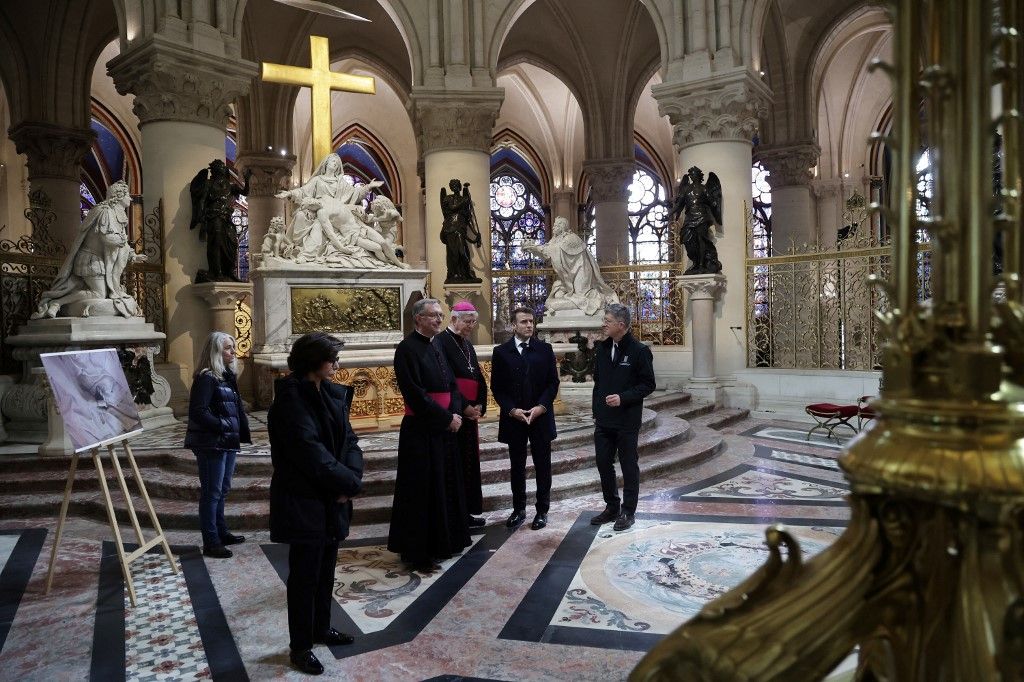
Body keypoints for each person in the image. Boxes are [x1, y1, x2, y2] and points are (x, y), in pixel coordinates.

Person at [268, 332, 363, 676]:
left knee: (325, 571)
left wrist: (350, 479)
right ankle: (300, 647)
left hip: (332, 497)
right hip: (305, 498)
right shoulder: (291, 400)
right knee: (305, 577)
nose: (338, 364)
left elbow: (349, 440)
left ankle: (321, 628)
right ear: (313, 361)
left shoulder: (330, 392)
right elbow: (310, 454)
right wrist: (348, 483)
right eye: (332, 358)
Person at [387, 298, 471, 572]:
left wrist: (457, 413)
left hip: (445, 428)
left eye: (440, 315)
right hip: (422, 430)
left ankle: (446, 540)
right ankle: (421, 549)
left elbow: (453, 385)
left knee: (445, 484)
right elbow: (415, 394)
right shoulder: (406, 349)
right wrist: (446, 418)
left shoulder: (437, 345)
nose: (439, 319)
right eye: (434, 315)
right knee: (423, 490)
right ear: (418, 319)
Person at [32, 180, 146, 319]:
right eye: (127, 195)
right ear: (119, 196)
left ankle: (58, 303)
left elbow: (120, 241)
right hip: (91, 260)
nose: (130, 198)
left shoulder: (117, 214)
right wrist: (123, 241)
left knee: (99, 293)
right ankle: (56, 303)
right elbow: (108, 239)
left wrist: (133, 256)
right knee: (99, 294)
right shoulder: (105, 212)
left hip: (99, 261)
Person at [490, 307, 560, 530]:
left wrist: (541, 406)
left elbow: (552, 383)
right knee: (517, 466)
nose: (529, 325)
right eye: (524, 322)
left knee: (543, 466)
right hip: (514, 419)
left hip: (540, 417)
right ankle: (518, 509)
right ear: (513, 325)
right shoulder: (501, 352)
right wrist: (512, 410)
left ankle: (542, 510)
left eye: (531, 321)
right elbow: (497, 388)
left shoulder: (544, 349)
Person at [183, 332, 250, 558]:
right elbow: (198, 412)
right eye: (228, 348)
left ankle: (221, 532)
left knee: (222, 490)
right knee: (212, 492)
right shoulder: (206, 378)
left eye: (233, 347)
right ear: (215, 352)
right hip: (211, 443)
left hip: (226, 441)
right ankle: (211, 541)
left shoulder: (226, 376)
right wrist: (222, 424)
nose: (233, 352)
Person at [590, 303, 656, 531]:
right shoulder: (601, 348)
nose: (603, 324)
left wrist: (624, 397)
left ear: (621, 324)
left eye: (607, 321)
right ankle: (612, 507)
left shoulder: (639, 351)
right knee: (602, 463)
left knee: (629, 465)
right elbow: (598, 383)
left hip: (627, 420)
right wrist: (596, 410)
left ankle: (628, 511)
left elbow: (648, 385)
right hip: (604, 420)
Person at [436, 300, 488, 527]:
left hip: (470, 414)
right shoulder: (439, 343)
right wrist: (464, 406)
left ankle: (466, 512)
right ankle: (455, 515)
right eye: (468, 321)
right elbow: (447, 381)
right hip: (453, 413)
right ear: (454, 319)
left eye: (474, 322)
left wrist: (480, 406)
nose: (471, 326)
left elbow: (478, 376)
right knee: (454, 465)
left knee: (468, 464)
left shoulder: (468, 345)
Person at [523, 216, 619, 315]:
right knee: (557, 296)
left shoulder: (571, 237)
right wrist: (533, 248)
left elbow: (553, 250)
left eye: (556, 225)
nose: (553, 228)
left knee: (582, 295)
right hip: (568, 276)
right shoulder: (555, 239)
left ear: (562, 226)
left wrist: (535, 248)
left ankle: (601, 300)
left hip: (581, 271)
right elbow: (547, 252)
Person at [439, 178, 482, 283]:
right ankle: (454, 274)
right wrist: (464, 201)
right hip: (450, 228)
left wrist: (476, 235)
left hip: (460, 227)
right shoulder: (448, 198)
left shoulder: (464, 199)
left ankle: (466, 274)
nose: (455, 187)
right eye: (453, 186)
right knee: (453, 253)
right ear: (451, 187)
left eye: (457, 185)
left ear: (459, 186)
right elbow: (452, 208)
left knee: (463, 252)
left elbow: (467, 218)